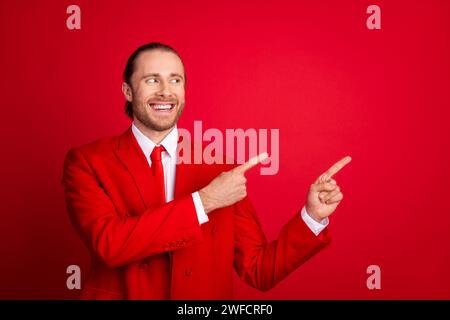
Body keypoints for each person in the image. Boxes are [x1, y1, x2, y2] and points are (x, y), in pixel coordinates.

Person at [62, 42, 351, 299]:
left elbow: (259, 270)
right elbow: (110, 245)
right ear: (127, 90)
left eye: (175, 80)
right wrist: (206, 201)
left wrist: (311, 217)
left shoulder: (220, 169)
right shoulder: (87, 161)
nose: (165, 91)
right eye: (152, 80)